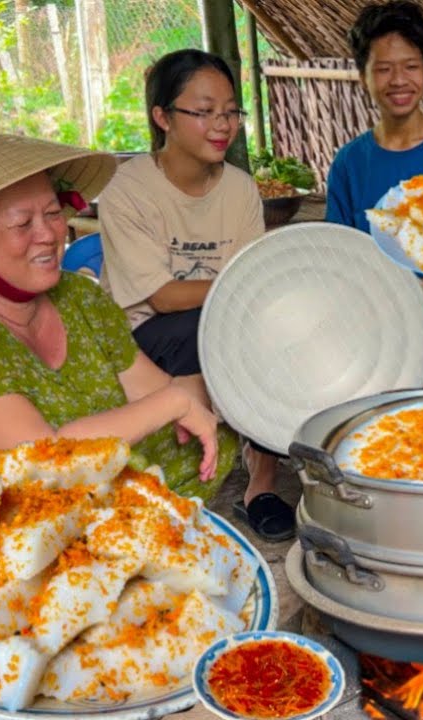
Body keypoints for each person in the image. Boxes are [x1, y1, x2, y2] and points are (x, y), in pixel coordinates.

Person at [0, 123, 238, 511]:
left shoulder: (79, 298)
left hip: (79, 505)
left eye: (52, 212)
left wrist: (228, 384)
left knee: (205, 433)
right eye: (22, 223)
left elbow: (156, 391)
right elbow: (40, 464)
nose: (48, 234)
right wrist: (174, 403)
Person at [96, 49, 293, 541]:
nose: (221, 124)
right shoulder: (128, 189)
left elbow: (252, 283)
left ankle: (261, 483)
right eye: (203, 112)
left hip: (218, 318)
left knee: (274, 329)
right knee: (205, 331)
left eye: (230, 111)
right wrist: (245, 291)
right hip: (144, 335)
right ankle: (182, 474)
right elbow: (161, 297)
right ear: (163, 117)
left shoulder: (241, 190)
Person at [325, 1, 423, 387]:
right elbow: (339, 250)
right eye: (383, 69)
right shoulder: (349, 163)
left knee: (415, 340)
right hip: (371, 304)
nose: (399, 80)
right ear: (363, 76)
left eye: (411, 66)